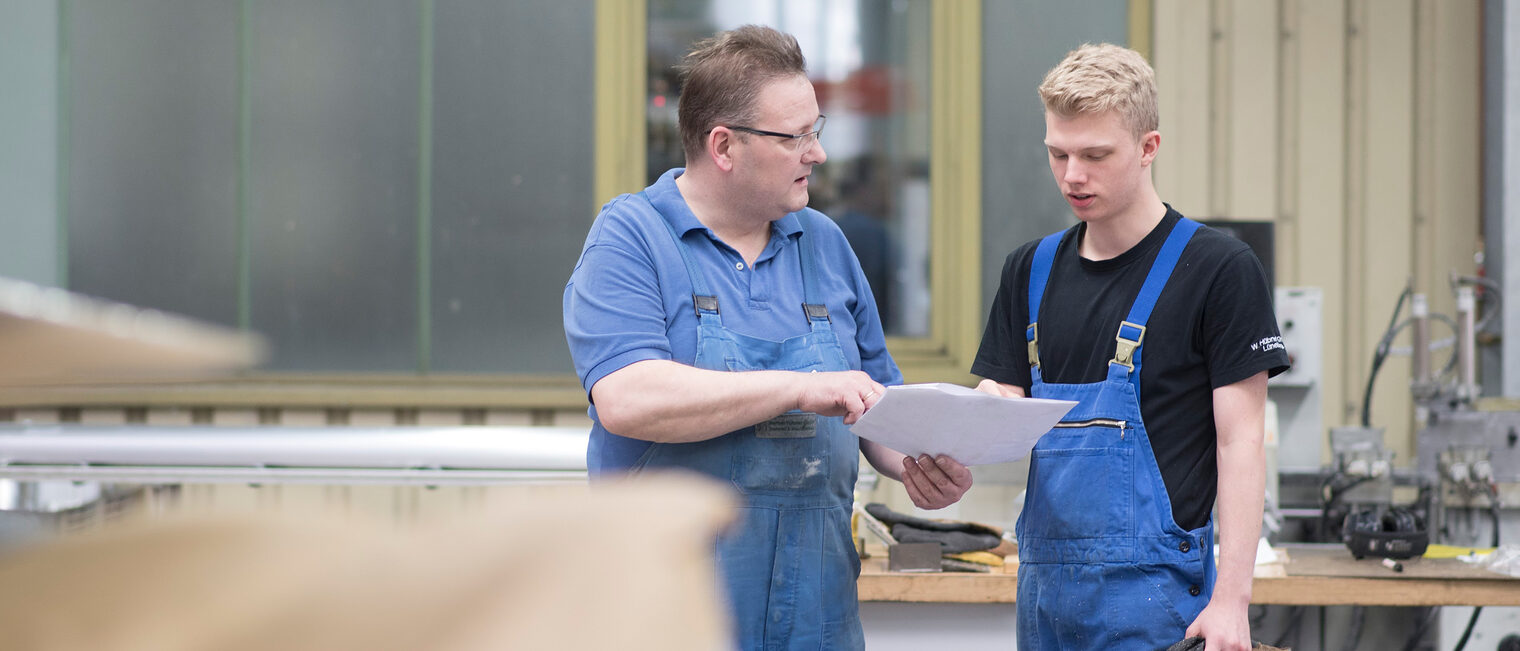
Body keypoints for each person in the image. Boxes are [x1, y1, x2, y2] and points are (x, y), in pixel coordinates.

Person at [563, 25, 973, 651]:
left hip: (815, 616)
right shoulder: (632, 240)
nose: (819, 154)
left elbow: (876, 404)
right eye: (796, 137)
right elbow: (628, 398)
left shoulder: (826, 244)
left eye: (818, 129)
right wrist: (799, 388)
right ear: (723, 145)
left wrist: (922, 461)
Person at [972, 43, 1290, 651]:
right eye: (1058, 154)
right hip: (1044, 603)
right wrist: (951, 436)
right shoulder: (1028, 271)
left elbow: (1240, 440)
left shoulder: (1217, 269)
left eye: (1095, 155)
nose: (1072, 175)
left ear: (1149, 148)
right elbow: (1001, 403)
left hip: (1159, 607)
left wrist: (1232, 599)